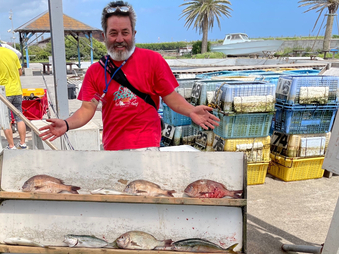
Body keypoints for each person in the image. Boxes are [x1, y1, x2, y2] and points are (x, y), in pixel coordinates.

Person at [40, 0, 219, 150]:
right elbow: (87, 109)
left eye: (125, 32)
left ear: (133, 34)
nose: (119, 39)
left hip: (147, 146)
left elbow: (170, 97)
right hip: (113, 148)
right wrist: (67, 124)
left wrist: (191, 110)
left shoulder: (153, 61)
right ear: (103, 36)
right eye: (113, 33)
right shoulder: (96, 71)